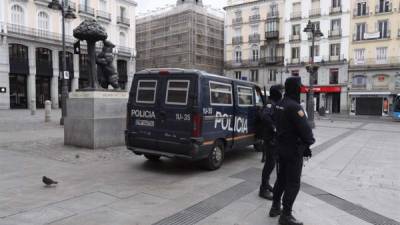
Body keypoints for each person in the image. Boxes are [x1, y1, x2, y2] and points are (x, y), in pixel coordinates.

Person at [269, 77, 315, 225]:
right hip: (293, 150)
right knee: (293, 183)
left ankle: (275, 206)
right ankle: (286, 215)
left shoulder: (280, 104)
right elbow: (306, 131)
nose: (301, 89)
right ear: (295, 88)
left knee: (281, 179)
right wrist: (308, 142)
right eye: (299, 87)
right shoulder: (295, 107)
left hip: (280, 148)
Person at [259, 85, 283, 200]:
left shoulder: (274, 103)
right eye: (281, 91)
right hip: (270, 139)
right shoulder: (270, 104)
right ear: (277, 92)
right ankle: (263, 189)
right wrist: (274, 127)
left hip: (273, 139)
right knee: (269, 164)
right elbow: (265, 116)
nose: (282, 93)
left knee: (271, 163)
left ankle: (266, 184)